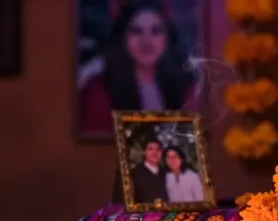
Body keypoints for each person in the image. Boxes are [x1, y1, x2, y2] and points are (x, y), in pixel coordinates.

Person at [79, 1, 196, 133]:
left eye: (156, 31)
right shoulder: (100, 89)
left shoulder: (186, 86)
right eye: (136, 31)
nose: (146, 41)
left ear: (168, 38)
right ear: (123, 38)